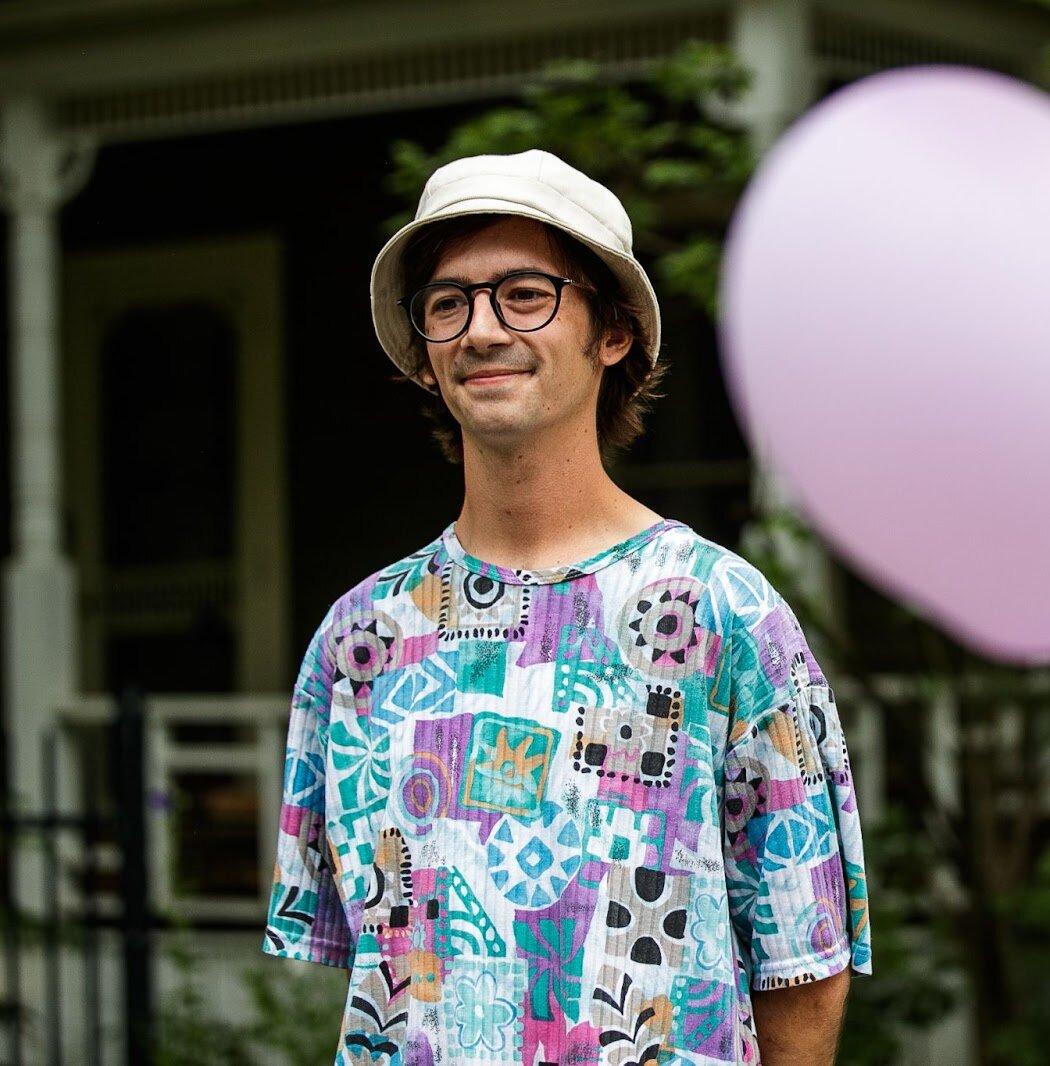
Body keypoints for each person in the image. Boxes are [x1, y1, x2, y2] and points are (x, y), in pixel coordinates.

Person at [262, 149, 872, 1066]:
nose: (481, 330)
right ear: (425, 356)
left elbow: (805, 967)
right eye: (448, 304)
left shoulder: (722, 613)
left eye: (525, 295)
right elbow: (370, 971)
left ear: (613, 332)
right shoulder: (360, 641)